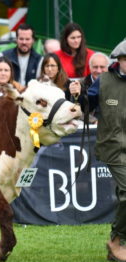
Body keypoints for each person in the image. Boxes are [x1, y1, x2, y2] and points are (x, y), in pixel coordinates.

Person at [87, 39, 126, 261]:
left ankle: (117, 246)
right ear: (119, 60)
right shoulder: (103, 82)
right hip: (113, 148)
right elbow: (85, 106)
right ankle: (117, 239)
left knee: (124, 195)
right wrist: (76, 96)